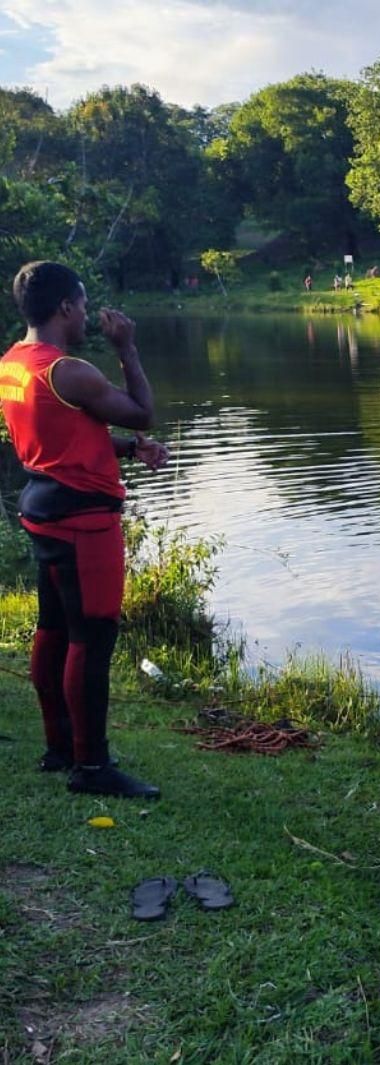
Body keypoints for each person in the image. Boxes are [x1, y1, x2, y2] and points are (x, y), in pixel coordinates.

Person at [1, 261, 170, 798]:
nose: (87, 314)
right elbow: (143, 413)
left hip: (41, 507)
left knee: (54, 628)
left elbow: (54, 433)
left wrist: (123, 450)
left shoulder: (12, 362)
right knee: (90, 639)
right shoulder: (69, 370)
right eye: (83, 303)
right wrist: (127, 348)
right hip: (83, 521)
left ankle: (59, 747)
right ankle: (92, 767)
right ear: (66, 309)